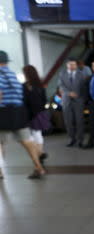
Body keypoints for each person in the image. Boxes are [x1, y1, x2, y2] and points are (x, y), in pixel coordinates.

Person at [0, 50, 46, 179]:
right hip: (19, 112)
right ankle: (39, 167)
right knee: (27, 141)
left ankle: (0, 171)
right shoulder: (12, 74)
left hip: (4, 112)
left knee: (0, 143)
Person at [22, 65, 49, 165]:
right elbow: (44, 100)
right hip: (34, 113)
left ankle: (39, 153)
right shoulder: (37, 85)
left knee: (35, 135)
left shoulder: (32, 86)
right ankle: (40, 153)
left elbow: (44, 100)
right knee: (34, 135)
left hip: (35, 114)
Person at [58, 57, 85, 147]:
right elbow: (61, 86)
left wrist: (80, 95)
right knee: (68, 121)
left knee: (79, 121)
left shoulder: (81, 74)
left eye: (74, 64)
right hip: (66, 100)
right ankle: (71, 139)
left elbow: (84, 86)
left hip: (78, 100)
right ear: (67, 65)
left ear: (76, 65)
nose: (72, 66)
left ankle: (80, 140)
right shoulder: (62, 74)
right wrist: (69, 93)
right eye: (70, 64)